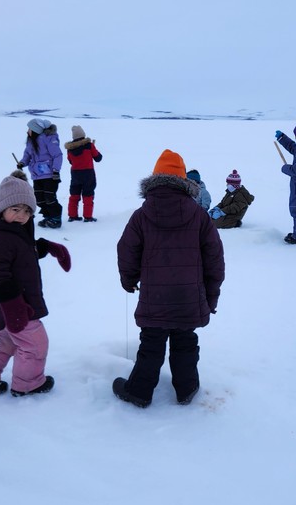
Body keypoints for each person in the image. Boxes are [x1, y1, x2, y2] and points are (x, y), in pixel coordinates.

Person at [114, 149, 225, 408]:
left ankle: (139, 392)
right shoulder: (200, 216)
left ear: (154, 180)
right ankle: (186, 389)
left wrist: (128, 279)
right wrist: (211, 295)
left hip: (155, 297)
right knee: (185, 342)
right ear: (185, 182)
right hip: (189, 297)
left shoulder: (141, 215)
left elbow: (126, 250)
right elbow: (215, 260)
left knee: (151, 344)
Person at [0, 171, 71, 397]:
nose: (21, 216)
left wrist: (48, 247)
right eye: (15, 209)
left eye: (27, 211)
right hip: (15, 303)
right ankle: (28, 384)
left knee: (7, 339)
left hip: (15, 303)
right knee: (35, 344)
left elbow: (21, 252)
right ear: (2, 208)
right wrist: (14, 307)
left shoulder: (12, 230)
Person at [19, 118, 63, 229]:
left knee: (49, 198)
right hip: (37, 175)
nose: (27, 131)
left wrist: (56, 170)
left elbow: (57, 155)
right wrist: (22, 163)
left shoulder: (49, 139)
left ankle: (56, 218)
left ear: (35, 129)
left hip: (50, 175)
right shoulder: (30, 142)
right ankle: (47, 217)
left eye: (29, 128)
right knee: (39, 198)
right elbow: (27, 155)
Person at [64, 124, 103, 222]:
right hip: (88, 174)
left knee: (74, 195)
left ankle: (72, 216)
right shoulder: (89, 145)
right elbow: (98, 158)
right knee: (88, 195)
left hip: (75, 174)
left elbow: (70, 161)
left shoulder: (70, 148)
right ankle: (88, 216)